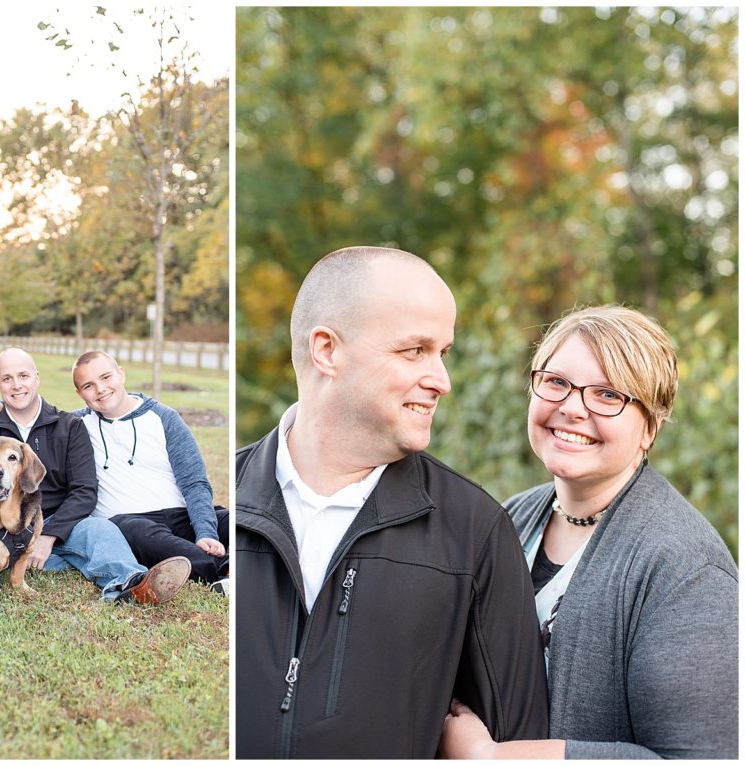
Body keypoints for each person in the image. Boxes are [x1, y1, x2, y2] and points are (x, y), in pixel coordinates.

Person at [235, 246, 548, 758]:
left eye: (442, 353)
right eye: (414, 351)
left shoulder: (476, 532)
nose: (441, 381)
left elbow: (515, 744)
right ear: (327, 351)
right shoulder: (234, 501)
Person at [439, 305, 738, 760]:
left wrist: (495, 759)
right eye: (556, 382)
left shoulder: (686, 570)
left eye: (607, 394)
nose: (572, 408)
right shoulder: (510, 518)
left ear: (650, 428)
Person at [0, 347, 191, 604]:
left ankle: (132, 585)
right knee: (70, 556)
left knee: (99, 530)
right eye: (7, 379)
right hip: (2, 528)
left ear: (36, 377)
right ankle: (48, 559)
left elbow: (84, 491)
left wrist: (49, 534)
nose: (17, 385)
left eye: (23, 376)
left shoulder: (69, 426)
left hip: (60, 525)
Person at [71, 350, 229, 591]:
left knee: (236, 520)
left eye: (106, 377)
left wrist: (206, 532)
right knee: (130, 530)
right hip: (132, 523)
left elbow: (194, 481)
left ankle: (229, 561)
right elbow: (35, 417)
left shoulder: (163, 417)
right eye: (88, 386)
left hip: (180, 514)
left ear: (121, 374)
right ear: (79, 393)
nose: (101, 389)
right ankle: (224, 569)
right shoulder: (75, 425)